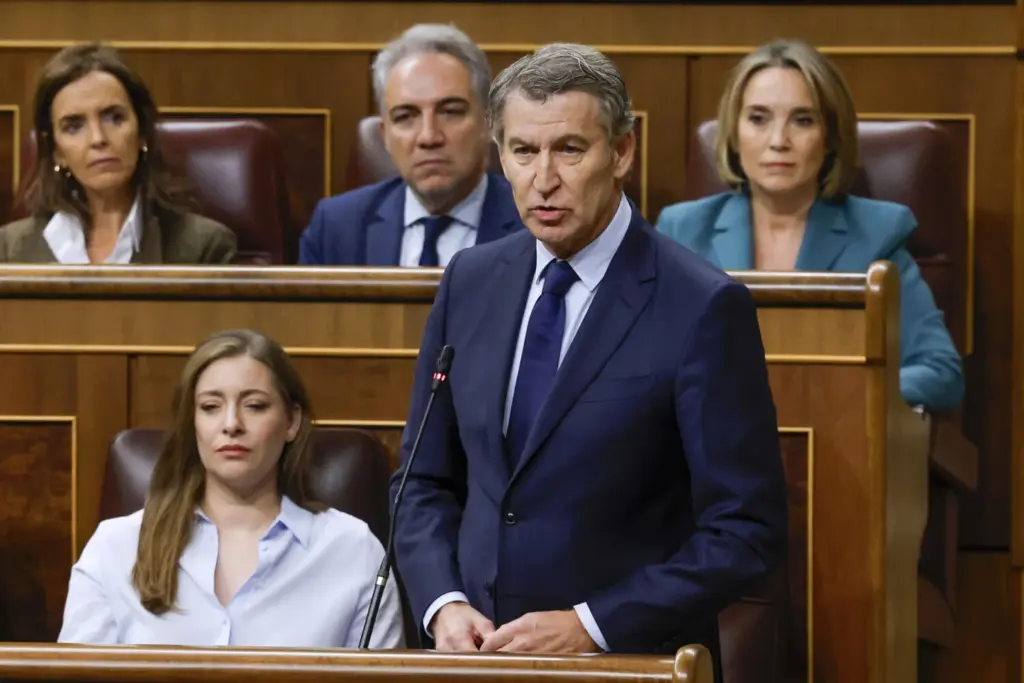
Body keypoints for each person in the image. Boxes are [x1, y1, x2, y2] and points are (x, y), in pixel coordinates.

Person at [390, 43, 787, 667]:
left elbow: (746, 533)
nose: (543, 178)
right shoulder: (469, 280)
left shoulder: (702, 306)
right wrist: (442, 601)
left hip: (625, 664)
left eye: (569, 150)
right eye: (523, 152)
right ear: (502, 156)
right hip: (474, 658)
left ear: (622, 151)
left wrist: (593, 625)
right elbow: (422, 481)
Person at [656, 39, 963, 412]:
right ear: (734, 135)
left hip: (831, 452)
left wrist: (829, 389)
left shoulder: (877, 235)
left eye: (802, 120)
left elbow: (940, 373)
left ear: (830, 137)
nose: (778, 141)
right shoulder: (683, 232)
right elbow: (643, 364)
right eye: (758, 118)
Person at [58, 329, 404, 648]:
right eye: (210, 407)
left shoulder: (352, 550)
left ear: (292, 421)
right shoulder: (116, 548)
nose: (231, 424)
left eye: (254, 406)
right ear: (192, 422)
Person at [298, 24, 522, 266]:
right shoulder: (336, 228)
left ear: (488, 123)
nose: (428, 137)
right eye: (405, 117)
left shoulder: (535, 225)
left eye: (450, 112)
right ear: (385, 135)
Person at [0, 43, 236, 264]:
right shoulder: (9, 250)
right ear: (56, 151)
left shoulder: (203, 247)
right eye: (73, 126)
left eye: (115, 118)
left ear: (142, 132)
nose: (98, 139)